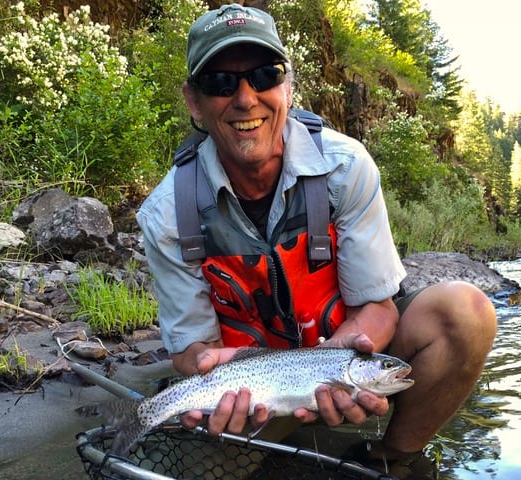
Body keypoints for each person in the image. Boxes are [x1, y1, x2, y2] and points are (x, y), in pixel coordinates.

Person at [137, 1, 497, 466]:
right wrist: (207, 370)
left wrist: (342, 354)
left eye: (264, 75)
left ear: (287, 87)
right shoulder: (167, 214)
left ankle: (394, 459)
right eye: (221, 83)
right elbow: (191, 351)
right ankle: (168, 419)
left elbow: (378, 308)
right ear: (195, 102)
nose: (246, 98)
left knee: (465, 312)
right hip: (249, 398)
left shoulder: (345, 167)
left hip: (333, 351)